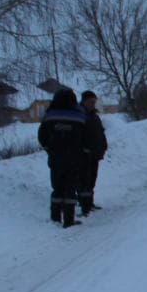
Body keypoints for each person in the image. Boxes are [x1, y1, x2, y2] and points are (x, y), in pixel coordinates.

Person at [38, 87, 91, 228]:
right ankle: (69, 220)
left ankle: (55, 217)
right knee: (70, 188)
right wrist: (84, 150)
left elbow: (42, 136)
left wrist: (49, 148)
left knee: (57, 187)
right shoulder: (78, 116)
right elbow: (86, 137)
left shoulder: (49, 116)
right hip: (74, 158)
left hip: (56, 157)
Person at [78, 89, 108, 215]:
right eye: (90, 102)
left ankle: (90, 203)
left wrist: (103, 145)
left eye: (94, 102)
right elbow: (78, 134)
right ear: (84, 101)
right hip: (84, 154)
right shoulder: (80, 114)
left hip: (95, 153)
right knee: (84, 180)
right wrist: (83, 147)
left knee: (92, 179)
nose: (92, 104)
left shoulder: (94, 115)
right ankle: (84, 205)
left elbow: (99, 131)